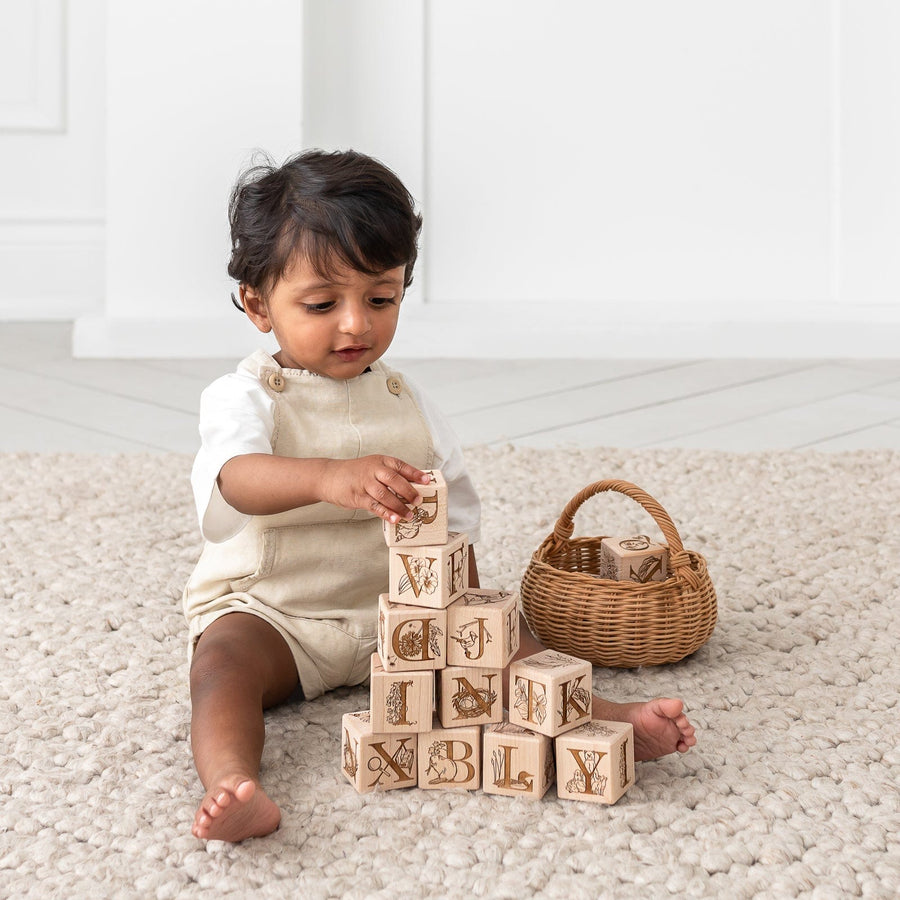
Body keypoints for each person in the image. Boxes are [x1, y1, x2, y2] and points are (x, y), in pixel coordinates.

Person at [183, 149, 696, 843]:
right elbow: (235, 478)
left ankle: (608, 717)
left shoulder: (409, 402)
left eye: (381, 298)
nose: (356, 325)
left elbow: (452, 520)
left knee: (509, 643)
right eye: (321, 303)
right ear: (257, 305)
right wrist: (330, 478)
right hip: (278, 614)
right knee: (221, 666)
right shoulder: (243, 396)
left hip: (401, 617)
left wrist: (474, 618)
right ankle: (233, 782)